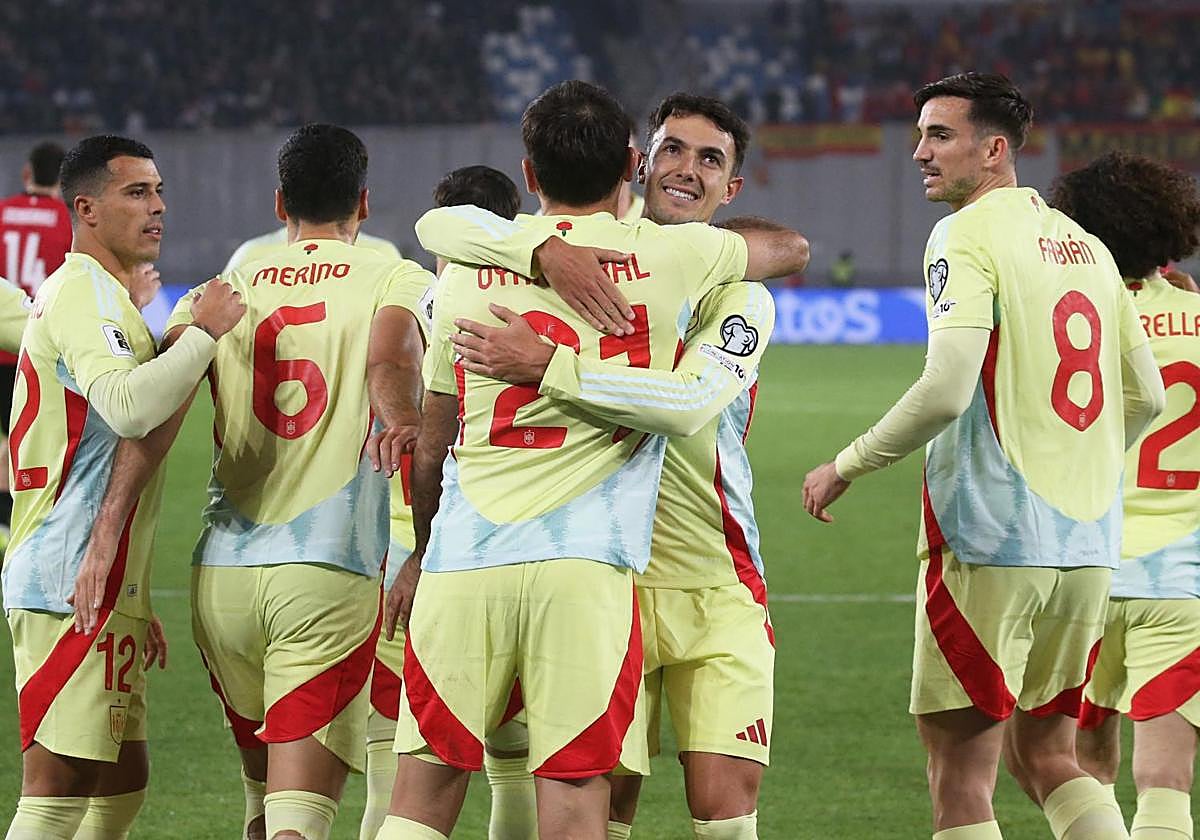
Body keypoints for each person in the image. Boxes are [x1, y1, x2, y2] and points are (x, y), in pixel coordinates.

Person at [376, 79, 803, 840]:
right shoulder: (668, 259)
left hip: (706, 576)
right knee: (589, 807)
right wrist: (542, 247)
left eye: (711, 160)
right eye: (674, 148)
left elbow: (437, 223)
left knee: (434, 786)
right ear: (637, 162)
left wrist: (546, 356)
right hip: (605, 574)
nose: (687, 169)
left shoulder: (472, 268)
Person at [801, 73, 1165, 840]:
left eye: (940, 136)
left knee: (960, 778)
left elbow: (945, 389)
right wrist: (1084, 464)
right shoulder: (1091, 248)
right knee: (1050, 756)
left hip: (992, 540)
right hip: (1087, 545)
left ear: (994, 150)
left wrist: (847, 463)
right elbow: (1149, 397)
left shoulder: (964, 235)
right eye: (922, 134)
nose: (918, 153)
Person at [156, 124, 432, 840]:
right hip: (323, 575)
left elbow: (150, 403)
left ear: (280, 201)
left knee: (260, 808)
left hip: (218, 580)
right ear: (363, 205)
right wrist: (403, 417)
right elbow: (394, 363)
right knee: (297, 821)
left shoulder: (223, 289)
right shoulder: (393, 276)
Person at [3, 134, 245, 840]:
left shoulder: (103, 294)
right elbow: (131, 408)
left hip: (105, 576)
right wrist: (201, 335)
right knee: (56, 786)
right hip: (67, 568)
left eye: (160, 191)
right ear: (85, 209)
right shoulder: (80, 292)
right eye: (136, 193)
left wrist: (134, 582)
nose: (158, 207)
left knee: (122, 776)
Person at [358, 163, 522, 840]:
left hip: (414, 546)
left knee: (398, 759)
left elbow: (388, 364)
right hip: (512, 542)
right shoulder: (531, 301)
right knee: (515, 758)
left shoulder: (428, 293)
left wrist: (406, 421)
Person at [1050, 151, 1200, 840]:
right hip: (1181, 576)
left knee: (1080, 770)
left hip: (1080, 567)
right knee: (1165, 784)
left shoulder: (1071, 325)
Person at [0, 142, 72, 535]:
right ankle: (20, 529)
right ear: (62, 180)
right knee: (29, 448)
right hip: (34, 349)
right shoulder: (66, 220)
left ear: (28, 173)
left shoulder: (2, 212)